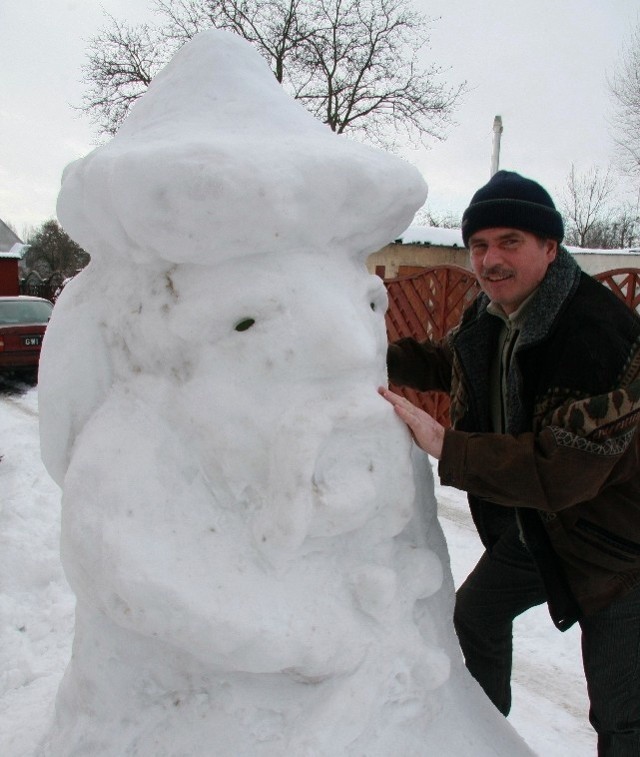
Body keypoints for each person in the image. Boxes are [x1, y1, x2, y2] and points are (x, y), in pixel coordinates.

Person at [379, 170, 640, 756]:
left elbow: (564, 470)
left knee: (624, 715)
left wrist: (450, 446)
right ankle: (484, 741)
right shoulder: (492, 316)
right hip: (545, 528)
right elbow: (451, 363)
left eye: (510, 241)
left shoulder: (598, 334)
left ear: (551, 247)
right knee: (475, 618)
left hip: (620, 547)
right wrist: (366, 351)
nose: (490, 259)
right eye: (479, 245)